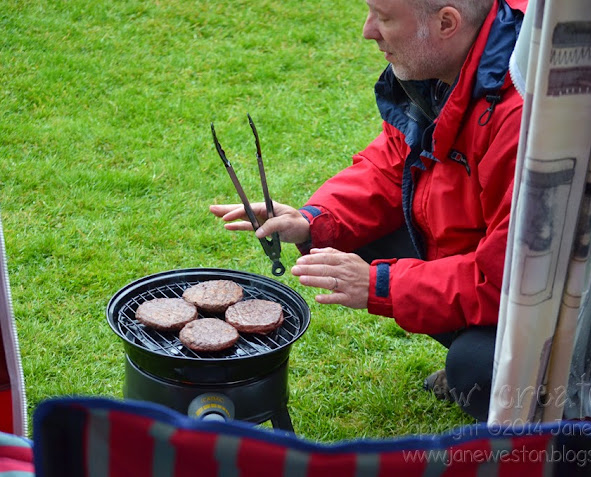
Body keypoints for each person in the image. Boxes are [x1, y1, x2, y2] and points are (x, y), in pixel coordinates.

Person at [211, 0, 528, 422]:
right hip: (498, 263)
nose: (368, 31)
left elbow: (511, 281)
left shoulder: (524, 118)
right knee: (342, 239)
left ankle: (561, 390)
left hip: (561, 307)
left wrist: (383, 285)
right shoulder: (441, 70)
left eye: (384, 18)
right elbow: (392, 167)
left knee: (478, 371)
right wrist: (312, 220)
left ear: (447, 23)